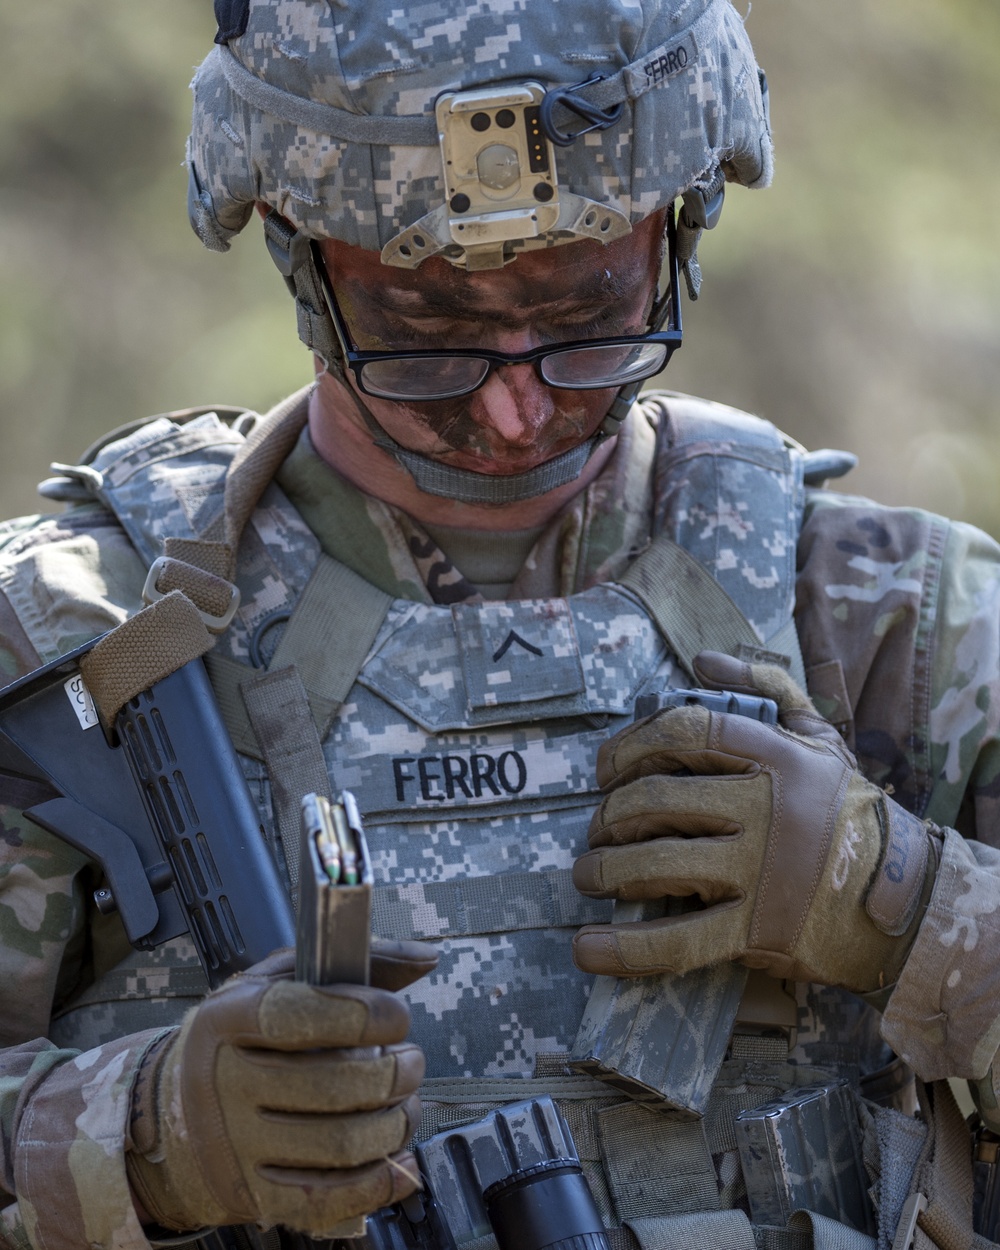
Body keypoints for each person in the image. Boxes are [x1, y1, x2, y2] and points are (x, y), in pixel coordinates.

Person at [0, 1, 998, 1248]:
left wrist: (900, 907)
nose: (520, 410)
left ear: (680, 225)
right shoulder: (81, 649)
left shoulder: (893, 623)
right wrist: (143, 1134)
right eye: (426, 334)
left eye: (589, 311)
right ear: (299, 256)